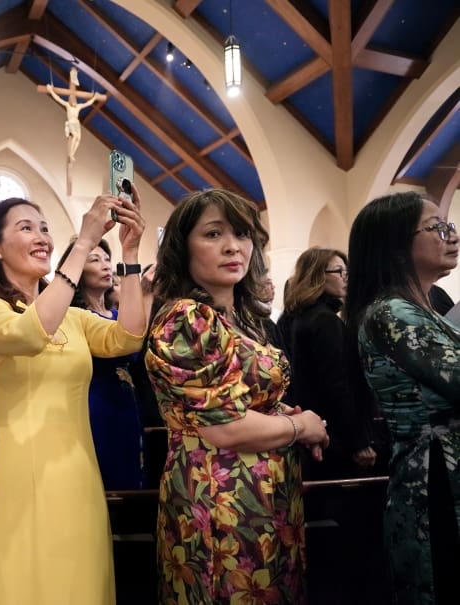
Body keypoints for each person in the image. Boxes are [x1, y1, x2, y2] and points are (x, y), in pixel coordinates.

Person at [0, 189, 146, 604]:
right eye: (26, 228)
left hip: (76, 473)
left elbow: (128, 336)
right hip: (11, 474)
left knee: (79, 586)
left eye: (44, 228)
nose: (42, 236)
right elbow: (29, 335)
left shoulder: (74, 317)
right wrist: (84, 244)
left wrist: (129, 256)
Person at [144, 189, 329, 604]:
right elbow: (225, 427)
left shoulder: (240, 317)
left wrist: (285, 416)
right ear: (181, 247)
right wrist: (300, 427)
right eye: (213, 234)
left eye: (242, 234)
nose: (233, 246)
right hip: (219, 500)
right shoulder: (186, 318)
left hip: (266, 497)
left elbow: (250, 400)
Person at [344, 192, 459, 605]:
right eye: (437, 228)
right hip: (435, 477)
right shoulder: (392, 313)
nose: (452, 236)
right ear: (395, 244)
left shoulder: (417, 307)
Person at [278, 247, 376, 479]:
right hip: (335, 435)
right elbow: (337, 384)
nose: (346, 277)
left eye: (347, 271)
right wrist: (358, 441)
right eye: (338, 271)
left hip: (316, 427)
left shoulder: (300, 316)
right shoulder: (324, 320)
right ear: (318, 275)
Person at [56, 237, 144, 490]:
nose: (106, 265)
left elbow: (134, 353)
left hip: (125, 399)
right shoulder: (72, 316)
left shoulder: (118, 315)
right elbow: (116, 351)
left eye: (107, 259)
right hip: (94, 401)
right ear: (78, 271)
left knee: (131, 472)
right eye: (95, 260)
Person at [46, 67, 100, 162]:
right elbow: (58, 99)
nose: (74, 100)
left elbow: (88, 103)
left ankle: (73, 154)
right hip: (72, 122)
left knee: (78, 139)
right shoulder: (68, 105)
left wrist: (94, 98)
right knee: (75, 137)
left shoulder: (78, 106)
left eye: (75, 100)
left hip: (77, 122)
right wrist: (51, 91)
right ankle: (70, 154)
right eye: (73, 99)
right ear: (71, 100)